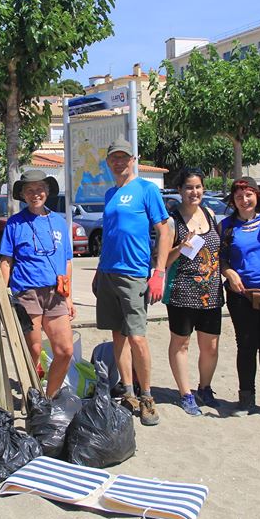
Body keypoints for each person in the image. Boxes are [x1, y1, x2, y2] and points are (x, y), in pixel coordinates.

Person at [94, 137, 172, 426]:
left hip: (135, 274)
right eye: (114, 158)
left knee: (137, 337)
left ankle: (147, 396)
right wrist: (98, 270)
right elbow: (110, 235)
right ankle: (128, 392)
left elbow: (165, 232)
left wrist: (159, 272)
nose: (119, 162)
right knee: (118, 336)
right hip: (108, 273)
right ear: (108, 162)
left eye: (123, 157)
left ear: (133, 160)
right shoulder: (110, 194)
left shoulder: (147, 190)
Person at [0, 170, 76, 398]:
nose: (35, 194)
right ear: (23, 195)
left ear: (47, 191)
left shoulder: (59, 221)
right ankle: (31, 396)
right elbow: (6, 262)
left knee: (65, 350)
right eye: (30, 190)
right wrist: (2, 295)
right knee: (33, 350)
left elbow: (67, 261)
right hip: (27, 292)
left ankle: (49, 398)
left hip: (56, 293)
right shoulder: (14, 223)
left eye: (40, 189)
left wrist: (69, 297)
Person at [220, 176, 260, 417]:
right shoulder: (226, 226)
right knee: (246, 346)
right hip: (241, 296)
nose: (244, 200)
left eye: (249, 195)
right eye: (239, 196)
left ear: (257, 196)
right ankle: (246, 397)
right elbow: (220, 258)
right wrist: (229, 272)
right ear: (233, 200)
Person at [163, 167, 222, 417]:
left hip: (212, 293)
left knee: (211, 346)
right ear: (179, 190)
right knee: (181, 343)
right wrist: (180, 247)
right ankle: (186, 394)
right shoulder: (172, 221)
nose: (194, 192)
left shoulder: (210, 214)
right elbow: (162, 260)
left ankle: (205, 388)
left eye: (198, 187)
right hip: (182, 292)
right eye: (188, 187)